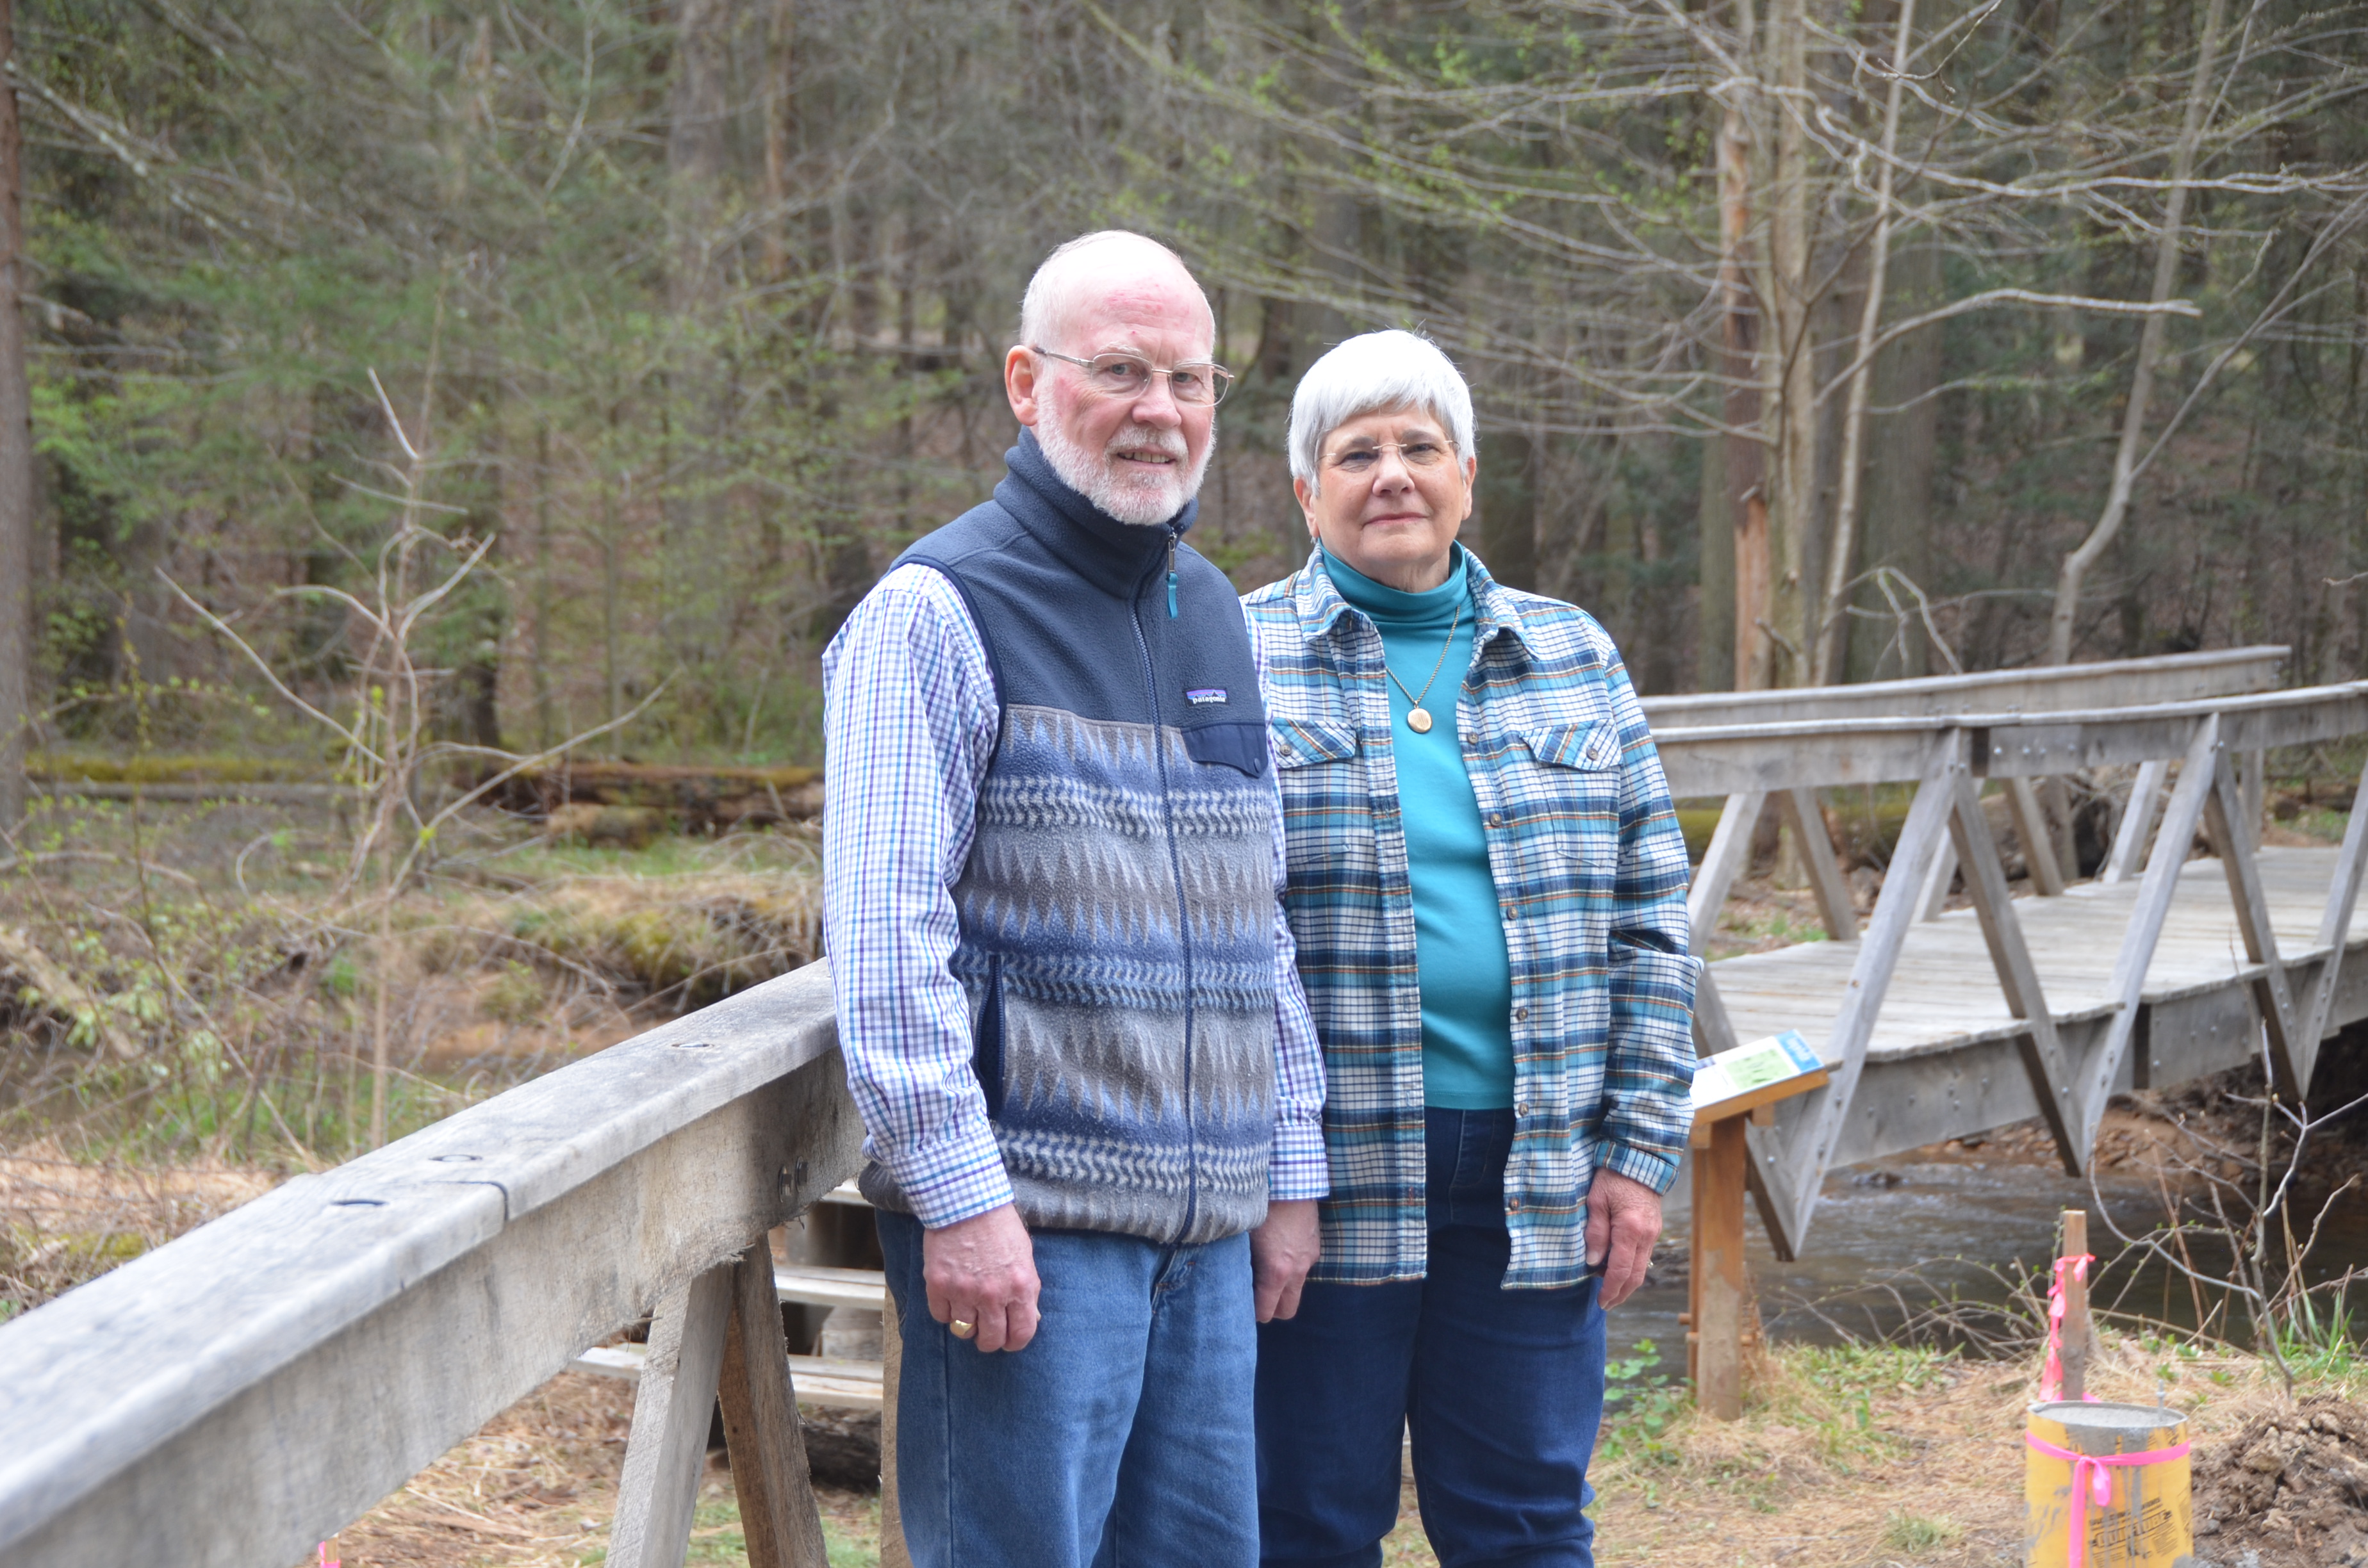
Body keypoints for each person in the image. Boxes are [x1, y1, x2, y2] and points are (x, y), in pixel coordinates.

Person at [820, 230, 1328, 1568]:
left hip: (1208, 1246)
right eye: (1120, 371)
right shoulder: (935, 611)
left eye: (1190, 379)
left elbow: (1255, 923)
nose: (1160, 411)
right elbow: (883, 943)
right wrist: (959, 1197)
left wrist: (1291, 1167)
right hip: (1028, 1246)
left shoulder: (1212, 612)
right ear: (1026, 382)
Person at [1241, 329, 1698, 1568]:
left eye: (1418, 447)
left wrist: (1638, 1152)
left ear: (1467, 474)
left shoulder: (1573, 652)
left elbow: (1654, 920)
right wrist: (1263, 1170)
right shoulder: (1233, 660)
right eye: (1356, 453)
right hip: (1324, 1179)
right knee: (1307, 1521)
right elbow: (1215, 939)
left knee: (1525, 1521)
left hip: (1537, 1173)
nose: (1391, 474)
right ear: (1305, 489)